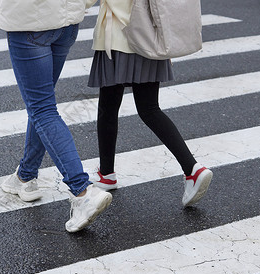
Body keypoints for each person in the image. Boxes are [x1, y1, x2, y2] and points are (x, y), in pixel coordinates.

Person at [0, 0, 112, 232]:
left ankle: (82, 190)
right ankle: (25, 175)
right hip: (66, 22)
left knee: (42, 108)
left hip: (29, 21)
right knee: (41, 105)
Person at [87, 0, 213, 207]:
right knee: (149, 108)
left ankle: (107, 174)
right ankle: (192, 169)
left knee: (108, 107)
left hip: (121, 34)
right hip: (150, 34)